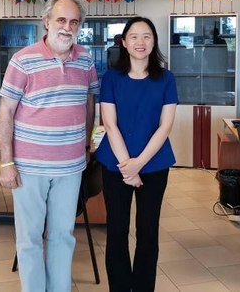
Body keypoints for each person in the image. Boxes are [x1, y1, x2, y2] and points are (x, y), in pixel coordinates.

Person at [0, 0, 99, 292]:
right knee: (29, 239)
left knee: (62, 236)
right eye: (61, 20)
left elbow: (89, 102)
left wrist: (86, 144)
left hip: (70, 166)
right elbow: (5, 111)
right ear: (46, 22)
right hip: (29, 167)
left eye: (74, 22)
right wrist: (6, 163)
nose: (67, 27)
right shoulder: (22, 60)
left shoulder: (86, 59)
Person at [95, 16, 178, 292]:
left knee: (148, 232)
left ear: (154, 42)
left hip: (153, 165)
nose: (140, 42)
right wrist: (127, 167)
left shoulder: (166, 78)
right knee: (117, 231)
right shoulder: (111, 78)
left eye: (146, 36)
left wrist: (138, 164)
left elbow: (165, 126)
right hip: (115, 164)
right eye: (134, 36)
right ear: (124, 42)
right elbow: (109, 124)